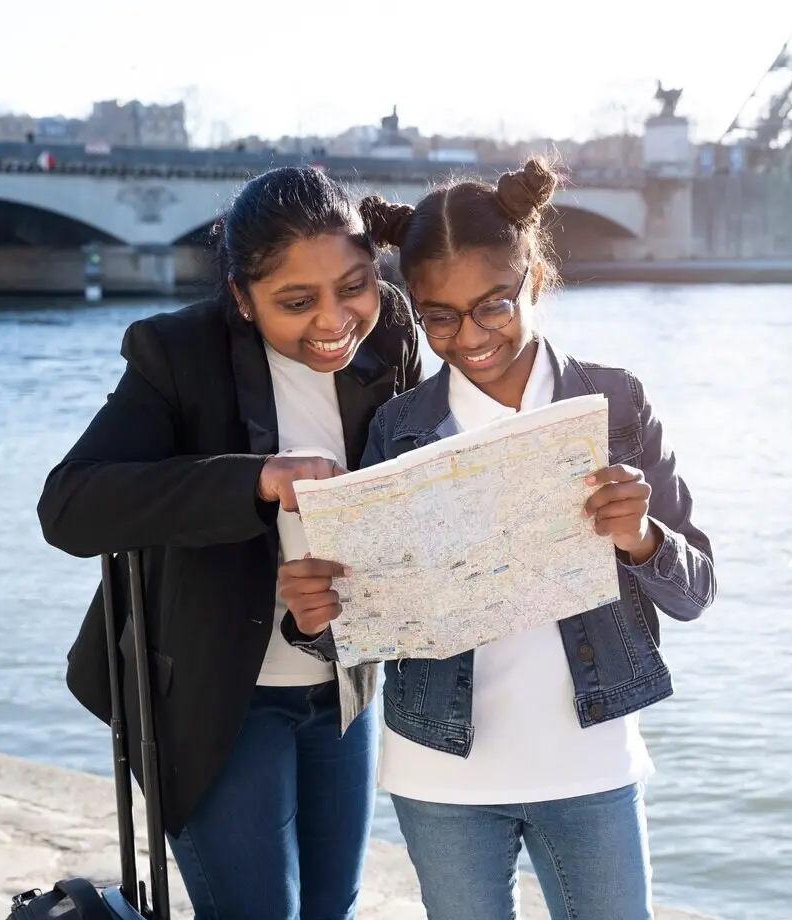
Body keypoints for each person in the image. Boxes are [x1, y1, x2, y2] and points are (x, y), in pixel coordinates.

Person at [276, 157, 716, 920]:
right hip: (439, 770)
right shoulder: (398, 427)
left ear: (535, 279)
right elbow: (365, 621)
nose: (469, 336)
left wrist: (641, 538)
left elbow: (696, 591)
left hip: (590, 761)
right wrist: (315, 618)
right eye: (437, 316)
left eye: (494, 306)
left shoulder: (614, 401)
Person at [36, 165, 424, 920]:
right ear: (242, 297)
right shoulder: (176, 355)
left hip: (344, 686)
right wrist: (256, 481)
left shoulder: (393, 333)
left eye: (354, 285)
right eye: (295, 301)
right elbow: (69, 506)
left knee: (331, 912)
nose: (334, 319)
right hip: (218, 698)